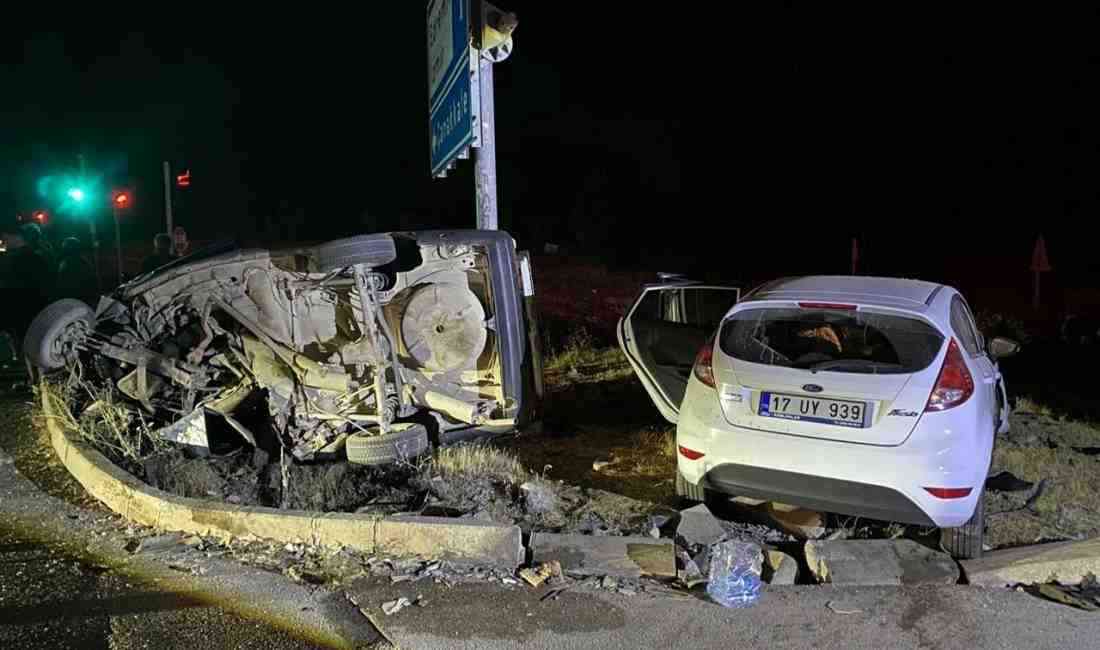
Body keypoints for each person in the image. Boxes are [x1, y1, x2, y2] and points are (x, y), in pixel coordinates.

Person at [56, 237, 98, 306]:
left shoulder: (64, 264)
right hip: (83, 301)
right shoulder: (85, 263)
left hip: (75, 301)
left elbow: (61, 284)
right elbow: (93, 282)